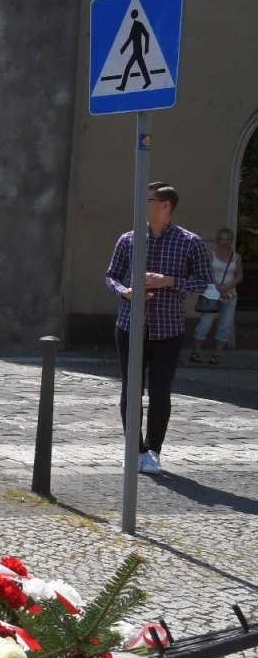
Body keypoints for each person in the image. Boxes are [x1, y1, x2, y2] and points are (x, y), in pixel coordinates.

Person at [103, 184, 213, 475]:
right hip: (130, 325)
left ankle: (153, 450)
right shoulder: (129, 239)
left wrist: (169, 281)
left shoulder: (190, 242)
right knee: (131, 389)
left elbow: (204, 283)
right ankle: (134, 450)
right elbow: (111, 276)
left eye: (148, 199)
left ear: (165, 205)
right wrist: (124, 292)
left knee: (160, 392)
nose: (142, 203)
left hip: (168, 328)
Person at [191, 228, 242, 365]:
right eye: (223, 239)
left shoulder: (236, 257)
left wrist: (226, 287)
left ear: (231, 240)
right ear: (218, 240)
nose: (225, 242)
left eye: (228, 239)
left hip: (229, 294)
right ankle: (196, 352)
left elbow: (239, 276)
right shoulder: (211, 255)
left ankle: (217, 354)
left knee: (225, 325)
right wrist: (218, 287)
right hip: (211, 293)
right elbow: (205, 272)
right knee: (205, 324)